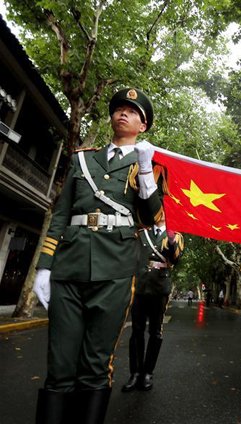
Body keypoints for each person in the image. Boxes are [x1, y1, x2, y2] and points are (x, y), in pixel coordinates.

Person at [32, 88, 162, 424]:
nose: (123, 113)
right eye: (119, 108)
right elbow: (61, 216)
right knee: (59, 364)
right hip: (69, 267)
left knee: (95, 365)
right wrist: (44, 267)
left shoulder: (150, 165)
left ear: (143, 126)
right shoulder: (82, 159)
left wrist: (144, 169)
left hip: (115, 271)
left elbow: (152, 218)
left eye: (133, 111)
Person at [121, 214, 184, 392]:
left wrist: (171, 241)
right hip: (140, 286)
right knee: (136, 331)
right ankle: (135, 373)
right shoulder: (142, 233)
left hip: (159, 288)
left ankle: (148, 372)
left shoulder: (176, 235)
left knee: (155, 332)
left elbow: (176, 259)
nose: (161, 213)